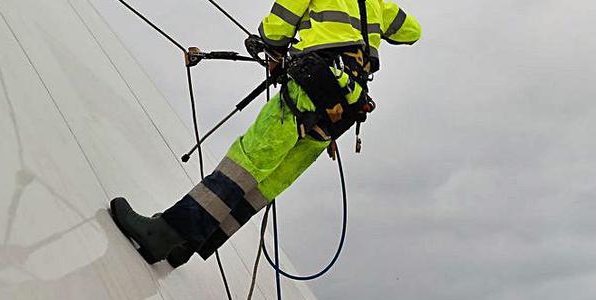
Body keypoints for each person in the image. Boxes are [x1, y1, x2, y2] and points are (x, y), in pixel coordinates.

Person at [110, 0, 421, 267]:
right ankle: (188, 244)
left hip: (312, 85)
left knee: (246, 162)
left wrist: (268, 43)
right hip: (345, 108)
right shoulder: (379, 5)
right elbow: (413, 31)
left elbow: (278, 27)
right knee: (270, 181)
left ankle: (163, 235)